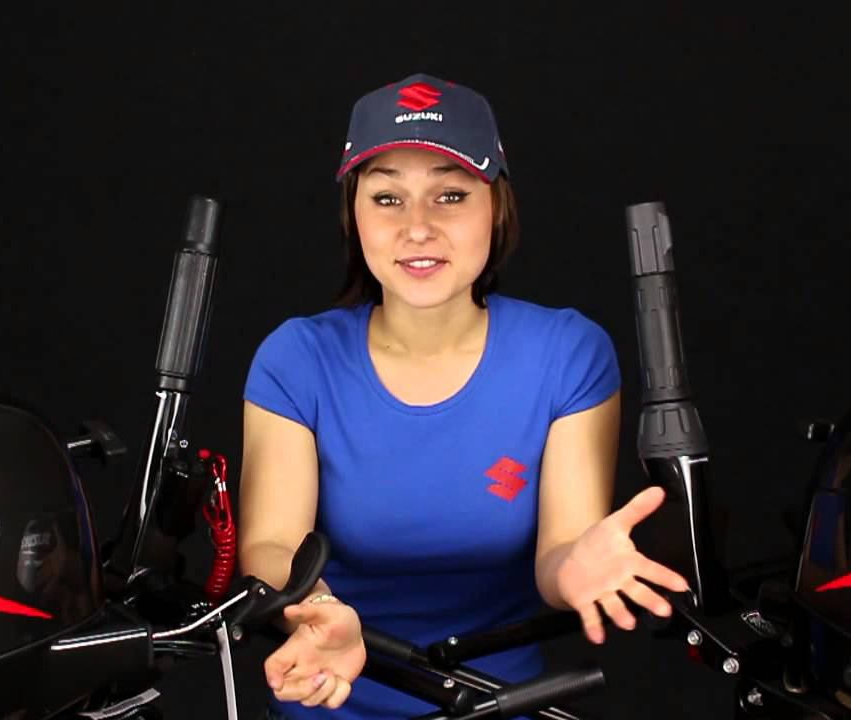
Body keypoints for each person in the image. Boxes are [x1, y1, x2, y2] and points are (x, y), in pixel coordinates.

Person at [237, 72, 689, 719]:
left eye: (450, 195)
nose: (417, 228)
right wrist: (318, 611)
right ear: (354, 216)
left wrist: (576, 567)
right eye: (387, 198)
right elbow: (273, 545)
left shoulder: (567, 353)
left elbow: (561, 549)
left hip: (503, 705)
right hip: (326, 698)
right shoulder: (297, 359)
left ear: (495, 206)